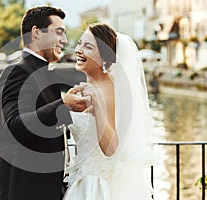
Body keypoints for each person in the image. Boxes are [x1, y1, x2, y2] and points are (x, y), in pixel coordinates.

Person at [0, 6, 90, 200]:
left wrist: (72, 106)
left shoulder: (44, 73)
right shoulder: (17, 72)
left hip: (44, 188)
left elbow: (46, 123)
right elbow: (15, 126)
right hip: (22, 190)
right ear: (36, 32)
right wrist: (63, 104)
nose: (64, 40)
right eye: (58, 32)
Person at [62, 23, 154, 199]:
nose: (79, 50)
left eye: (88, 46)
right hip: (82, 179)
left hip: (96, 186)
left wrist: (97, 103)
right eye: (80, 43)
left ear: (104, 58)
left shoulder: (105, 89)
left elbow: (111, 147)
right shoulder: (94, 86)